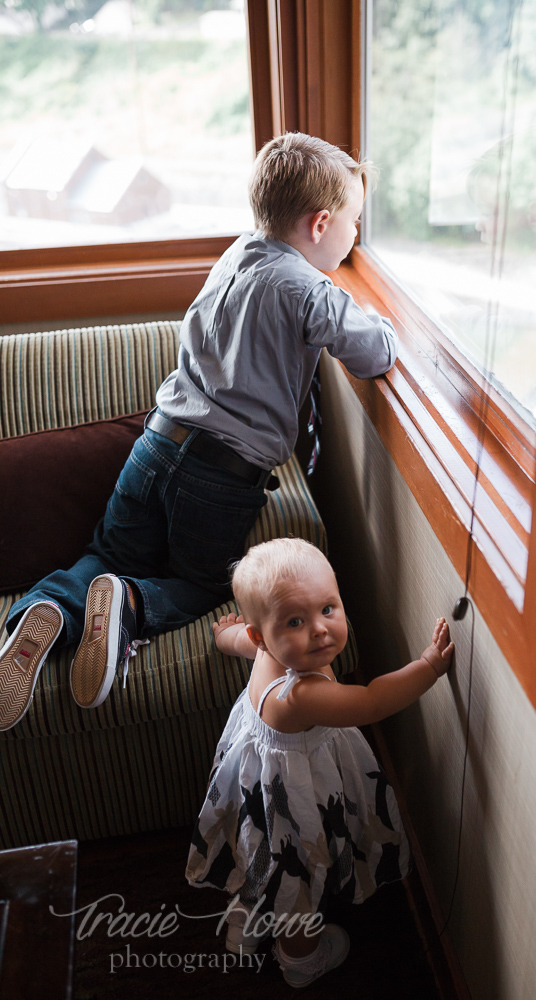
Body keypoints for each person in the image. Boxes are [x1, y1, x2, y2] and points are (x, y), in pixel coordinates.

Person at [0, 133, 397, 733]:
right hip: (221, 477)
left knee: (105, 553)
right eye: (355, 222)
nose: (357, 235)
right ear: (320, 225)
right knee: (204, 582)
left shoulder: (235, 255)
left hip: (157, 443)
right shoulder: (308, 288)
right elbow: (372, 354)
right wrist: (384, 325)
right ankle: (132, 603)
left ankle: (48, 606)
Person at [185, 537, 454, 988]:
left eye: (328, 608)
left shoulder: (268, 650)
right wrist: (428, 666)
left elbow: (237, 641)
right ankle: (300, 958)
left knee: (257, 850)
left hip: (255, 787)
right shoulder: (303, 695)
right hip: (294, 801)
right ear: (263, 634)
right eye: (295, 620)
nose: (319, 629)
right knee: (296, 879)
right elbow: (371, 701)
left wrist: (222, 634)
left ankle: (247, 920)